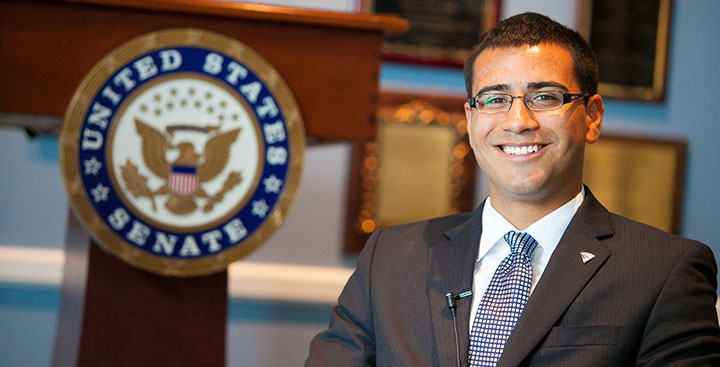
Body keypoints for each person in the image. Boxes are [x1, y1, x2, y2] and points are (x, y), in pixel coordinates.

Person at [306, 12, 720, 366]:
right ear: (471, 120)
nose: (519, 120)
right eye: (494, 99)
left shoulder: (666, 272)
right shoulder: (389, 259)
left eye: (544, 96)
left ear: (592, 117)